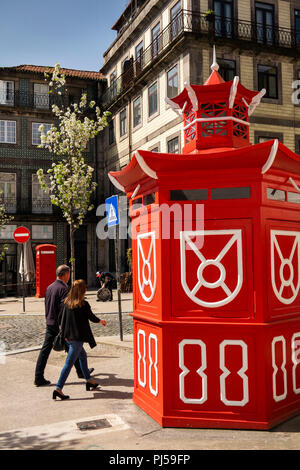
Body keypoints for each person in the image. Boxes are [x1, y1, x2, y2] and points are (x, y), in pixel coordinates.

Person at [34, 265, 93, 386]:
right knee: (74, 347)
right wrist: (63, 324)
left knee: (46, 350)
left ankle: (38, 376)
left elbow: (47, 305)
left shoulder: (50, 287)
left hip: (50, 322)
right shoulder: (63, 289)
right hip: (60, 325)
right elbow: (64, 308)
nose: (70, 275)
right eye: (69, 273)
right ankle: (80, 372)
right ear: (65, 274)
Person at [53, 279, 106, 400]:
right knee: (68, 364)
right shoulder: (83, 304)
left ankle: (89, 381)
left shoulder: (66, 302)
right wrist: (100, 321)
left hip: (68, 337)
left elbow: (60, 318)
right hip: (77, 339)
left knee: (83, 356)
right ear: (83, 290)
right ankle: (58, 389)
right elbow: (91, 317)